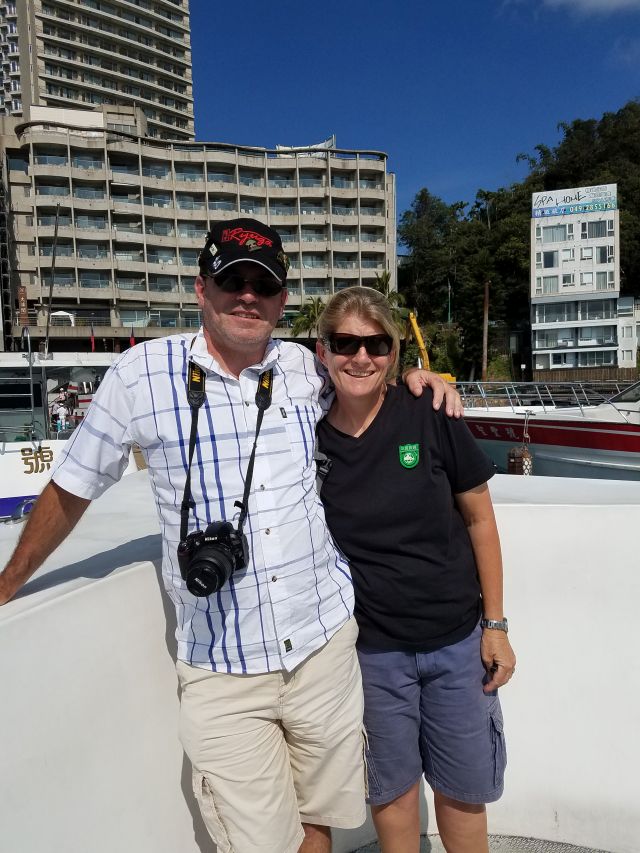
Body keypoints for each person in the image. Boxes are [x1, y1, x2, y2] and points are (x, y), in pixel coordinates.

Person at [0, 219, 463, 853]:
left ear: (280, 301)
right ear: (201, 289)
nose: (247, 295)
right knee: (259, 842)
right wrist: (6, 583)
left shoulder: (304, 367)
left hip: (323, 646)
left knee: (318, 821)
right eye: (231, 280)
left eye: (263, 285)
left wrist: (422, 382)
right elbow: (73, 486)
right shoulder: (141, 376)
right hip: (222, 665)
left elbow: (368, 377)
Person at [315, 287, 516, 853]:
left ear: (394, 352)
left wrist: (495, 627)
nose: (360, 357)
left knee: (461, 791)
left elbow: (480, 520)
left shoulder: (430, 412)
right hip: (373, 652)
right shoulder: (309, 437)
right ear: (323, 350)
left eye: (376, 344)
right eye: (345, 343)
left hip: (458, 641)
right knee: (393, 791)